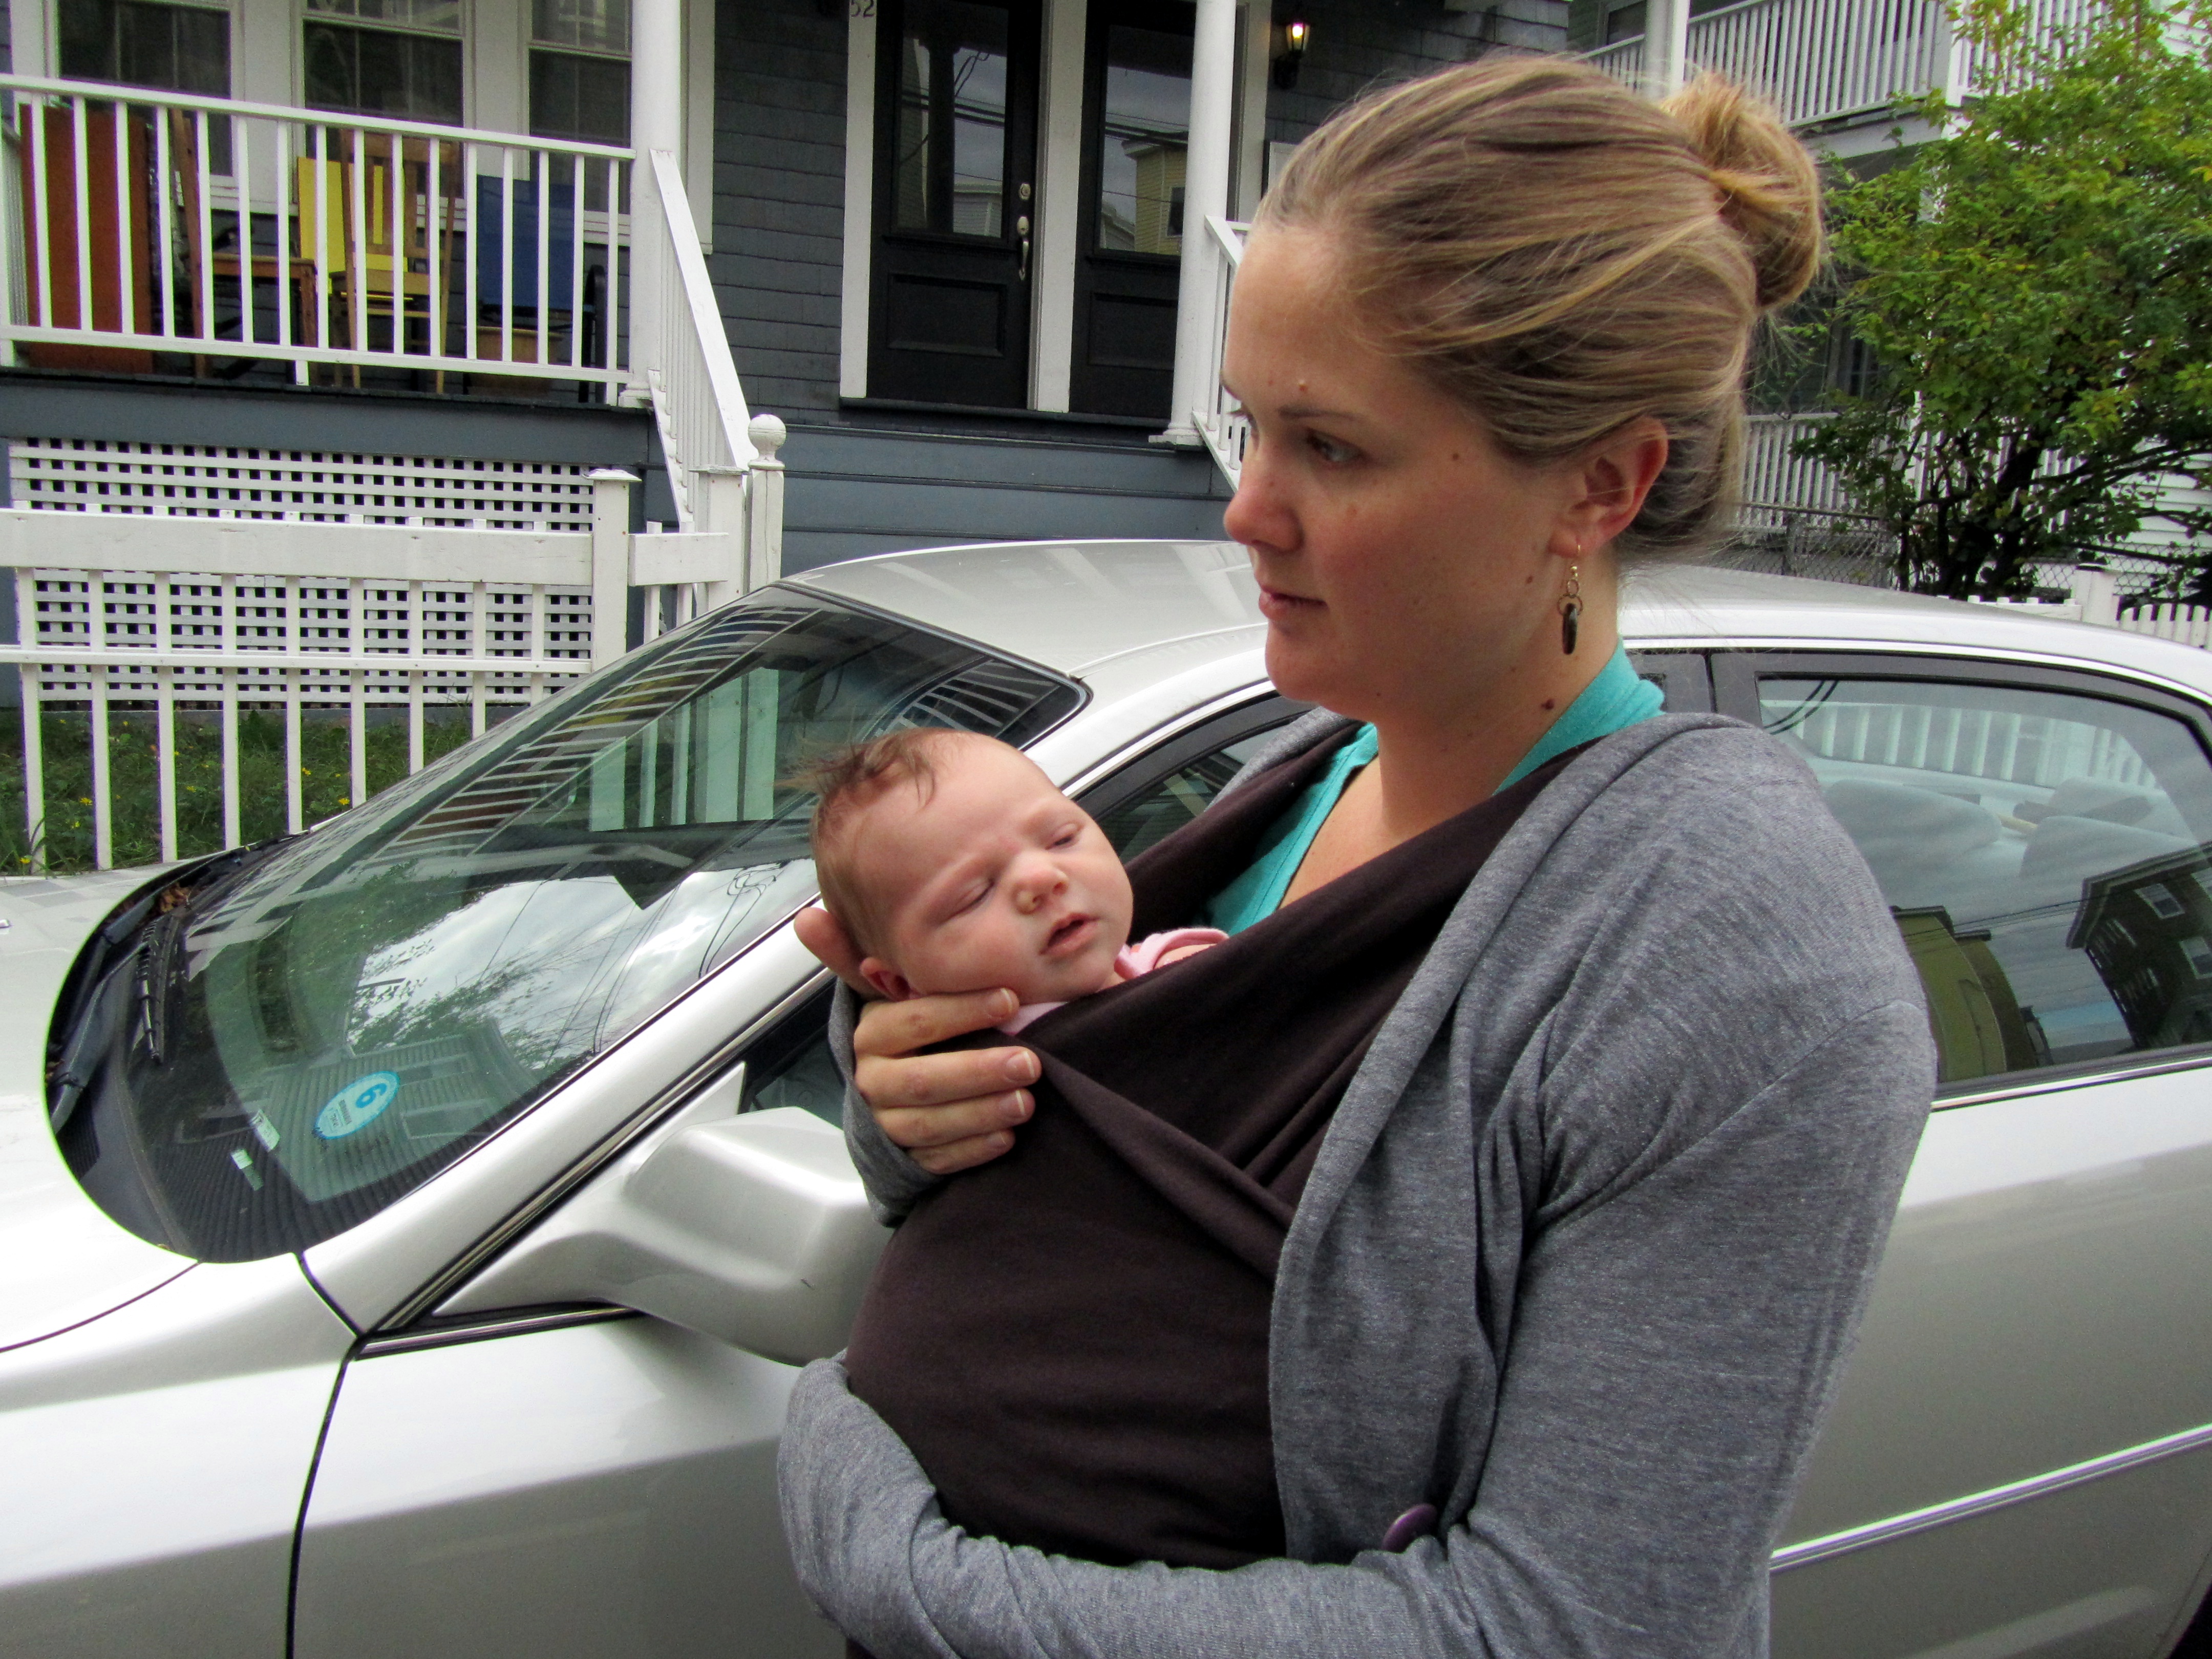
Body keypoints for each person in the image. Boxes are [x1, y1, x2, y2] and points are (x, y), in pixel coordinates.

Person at [780, 54, 1937, 1659]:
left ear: (1599, 486)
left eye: (1330, 447)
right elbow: (1108, 1177)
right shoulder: (1302, 779)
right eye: (1251, 426)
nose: (1245, 511)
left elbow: (1568, 1628)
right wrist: (916, 1096)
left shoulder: (1739, 962)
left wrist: (905, 1568)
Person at [800, 727, 1223, 1028]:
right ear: (901, 985)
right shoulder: (975, 1089)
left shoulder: (1159, 963)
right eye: (975, 895)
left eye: (1061, 839)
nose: (1041, 878)